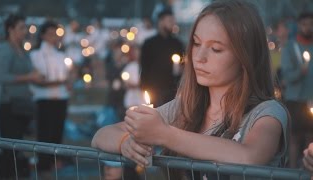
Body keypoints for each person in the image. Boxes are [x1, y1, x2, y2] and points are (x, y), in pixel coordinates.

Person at [92, 1, 289, 179]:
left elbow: (249, 156)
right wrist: (125, 143)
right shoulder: (185, 109)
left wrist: (164, 134)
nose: (199, 56)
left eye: (216, 49)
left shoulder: (267, 113)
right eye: (196, 43)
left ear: (245, 56)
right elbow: (101, 135)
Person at [0, 14, 44, 178]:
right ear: (11, 30)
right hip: (7, 105)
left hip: (21, 105)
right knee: (9, 146)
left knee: (18, 146)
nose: (24, 31)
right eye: (21, 27)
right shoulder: (4, 51)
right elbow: (0, 77)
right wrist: (29, 77)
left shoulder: (22, 50)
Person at [30, 20, 70, 172]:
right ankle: (43, 166)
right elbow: (39, 79)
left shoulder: (61, 55)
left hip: (61, 98)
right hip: (44, 99)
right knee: (44, 134)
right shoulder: (36, 54)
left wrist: (67, 82)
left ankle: (54, 164)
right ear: (43, 35)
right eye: (51, 34)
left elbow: (65, 76)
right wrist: (59, 82)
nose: (54, 37)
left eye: (56, 34)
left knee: (57, 133)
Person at [280, 12, 313, 168]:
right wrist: (301, 71)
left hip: (311, 99)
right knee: (295, 138)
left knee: (310, 138)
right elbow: (287, 76)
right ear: (299, 26)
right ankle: (292, 172)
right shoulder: (290, 47)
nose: (308, 28)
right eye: (305, 24)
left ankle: (308, 171)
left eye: (311, 24)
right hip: (294, 99)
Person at [140, 8, 184, 107]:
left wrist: (180, 68)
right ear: (160, 22)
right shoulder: (149, 43)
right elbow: (144, 67)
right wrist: (144, 88)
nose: (173, 24)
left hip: (172, 89)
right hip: (153, 89)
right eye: (169, 21)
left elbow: (182, 64)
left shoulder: (177, 44)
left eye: (173, 21)